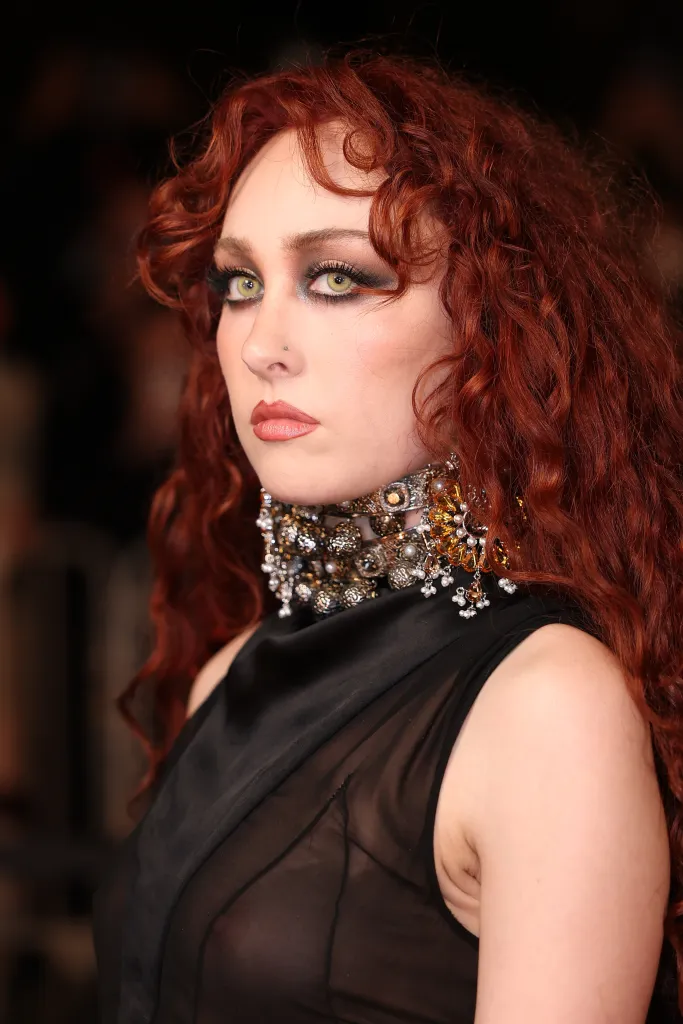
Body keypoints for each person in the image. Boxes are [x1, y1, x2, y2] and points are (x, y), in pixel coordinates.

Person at [93, 50, 683, 1023]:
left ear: (484, 327)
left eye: (336, 277)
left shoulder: (544, 710)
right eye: (238, 283)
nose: (261, 341)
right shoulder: (225, 674)